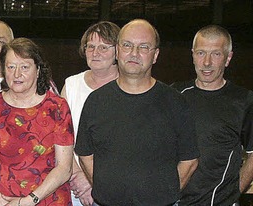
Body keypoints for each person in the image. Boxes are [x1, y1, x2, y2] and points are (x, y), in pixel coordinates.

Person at [74, 19, 200, 205]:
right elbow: (85, 154)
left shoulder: (175, 102)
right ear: (117, 50)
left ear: (155, 55)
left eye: (143, 47)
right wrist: (105, 189)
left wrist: (163, 194)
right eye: (127, 45)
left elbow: (189, 160)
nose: (134, 53)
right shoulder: (96, 101)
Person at [171, 25, 253, 205]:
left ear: (228, 58)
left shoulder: (243, 100)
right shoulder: (175, 94)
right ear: (193, 55)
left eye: (215, 54)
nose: (206, 62)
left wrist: (233, 193)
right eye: (201, 53)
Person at [0, 37, 74, 206]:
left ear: (38, 70)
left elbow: (64, 168)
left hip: (47, 200)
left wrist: (29, 201)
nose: (17, 74)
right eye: (11, 67)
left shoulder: (57, 107)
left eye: (24, 67)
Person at [60, 21, 120, 206]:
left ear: (118, 51)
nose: (95, 53)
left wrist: (95, 183)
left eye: (103, 47)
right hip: (74, 185)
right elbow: (60, 138)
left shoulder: (130, 87)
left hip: (117, 187)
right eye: (91, 46)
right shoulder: (71, 85)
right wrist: (79, 177)